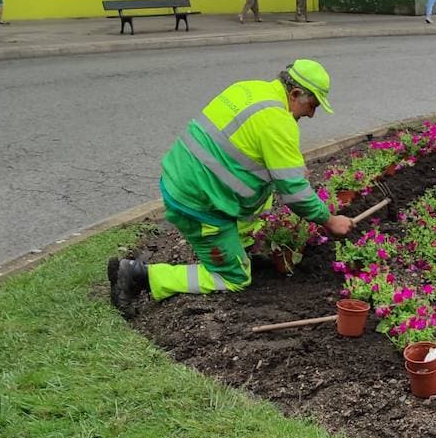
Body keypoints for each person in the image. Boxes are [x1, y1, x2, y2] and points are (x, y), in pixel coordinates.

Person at [108, 60, 353, 309]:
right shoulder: (278, 121)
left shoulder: (249, 89)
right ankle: (141, 275)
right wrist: (329, 221)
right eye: (312, 105)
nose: (311, 114)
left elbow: (244, 149)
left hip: (182, 178)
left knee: (262, 192)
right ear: (295, 94)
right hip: (199, 204)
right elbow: (295, 193)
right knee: (234, 277)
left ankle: (241, 247)